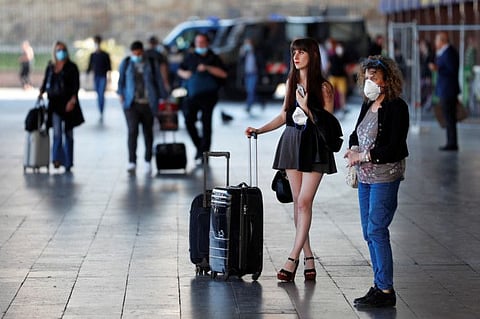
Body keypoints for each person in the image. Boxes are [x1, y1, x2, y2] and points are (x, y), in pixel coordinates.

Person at [245, 38, 337, 282]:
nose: (296, 56)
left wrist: (307, 108)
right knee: (298, 203)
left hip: (315, 145)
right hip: (292, 142)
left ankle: (292, 258)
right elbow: (285, 114)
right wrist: (259, 130)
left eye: (302, 52)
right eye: (294, 52)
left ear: (313, 55)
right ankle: (308, 257)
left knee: (305, 202)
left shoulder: (325, 87)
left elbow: (327, 125)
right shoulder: (291, 81)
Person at [344, 55, 409, 308]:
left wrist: (365, 155)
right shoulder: (367, 103)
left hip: (385, 176)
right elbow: (356, 132)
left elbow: (395, 147)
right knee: (367, 232)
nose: (369, 81)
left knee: (376, 230)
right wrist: (352, 148)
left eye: (374, 77)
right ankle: (378, 283)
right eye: (366, 77)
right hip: (366, 177)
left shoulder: (397, 107)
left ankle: (385, 289)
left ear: (387, 79)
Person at [117, 40, 166, 174]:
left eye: (138, 53)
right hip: (131, 104)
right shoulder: (126, 63)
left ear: (142, 51)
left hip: (148, 103)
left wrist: (164, 98)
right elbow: (121, 81)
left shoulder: (151, 63)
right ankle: (132, 161)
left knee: (148, 132)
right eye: (134, 53)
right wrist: (120, 94)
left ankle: (148, 160)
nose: (136, 55)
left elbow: (159, 81)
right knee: (132, 131)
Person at [177, 33, 227, 162]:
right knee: (189, 120)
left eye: (202, 42)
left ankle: (204, 153)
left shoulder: (214, 57)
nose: (200, 45)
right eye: (198, 42)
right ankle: (199, 147)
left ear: (207, 43)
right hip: (192, 95)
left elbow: (223, 74)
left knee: (206, 123)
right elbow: (180, 70)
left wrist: (208, 68)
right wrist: (187, 74)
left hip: (209, 96)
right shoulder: (190, 57)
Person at [39, 41, 85, 172]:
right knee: (57, 132)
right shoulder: (51, 66)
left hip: (68, 104)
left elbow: (76, 86)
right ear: (54, 51)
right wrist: (41, 92)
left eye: (63, 49)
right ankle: (57, 158)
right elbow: (46, 81)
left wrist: (73, 100)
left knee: (68, 133)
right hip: (54, 104)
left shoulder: (72, 67)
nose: (61, 52)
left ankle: (68, 162)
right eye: (58, 50)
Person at [428, 31, 461, 151]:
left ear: (442, 41)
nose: (436, 43)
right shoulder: (444, 52)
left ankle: (452, 143)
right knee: (448, 117)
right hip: (446, 88)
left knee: (450, 117)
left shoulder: (449, 52)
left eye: (437, 40)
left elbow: (452, 69)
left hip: (449, 89)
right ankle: (450, 141)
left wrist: (437, 68)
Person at [87, 35, 111, 122]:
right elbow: (89, 66)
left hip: (103, 76)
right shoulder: (93, 55)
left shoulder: (105, 55)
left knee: (101, 94)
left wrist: (110, 78)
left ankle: (101, 110)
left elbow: (109, 67)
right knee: (98, 94)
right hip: (96, 76)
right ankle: (100, 109)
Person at [239, 38, 264, 113]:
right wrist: (242, 53)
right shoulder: (245, 54)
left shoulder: (256, 53)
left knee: (251, 90)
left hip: (254, 74)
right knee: (250, 91)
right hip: (247, 74)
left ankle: (248, 106)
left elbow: (260, 62)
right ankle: (261, 101)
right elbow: (240, 62)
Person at [326, 38, 348, 113]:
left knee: (342, 92)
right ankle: (331, 107)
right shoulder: (330, 53)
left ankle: (343, 107)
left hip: (341, 76)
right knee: (331, 92)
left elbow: (344, 63)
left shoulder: (341, 52)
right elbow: (329, 64)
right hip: (333, 75)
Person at [419, 39, 435, 110]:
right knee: (421, 90)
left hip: (428, 76)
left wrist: (429, 77)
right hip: (422, 76)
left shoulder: (431, 55)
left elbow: (431, 67)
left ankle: (428, 105)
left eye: (422, 45)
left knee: (428, 91)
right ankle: (423, 103)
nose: (420, 47)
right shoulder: (421, 55)